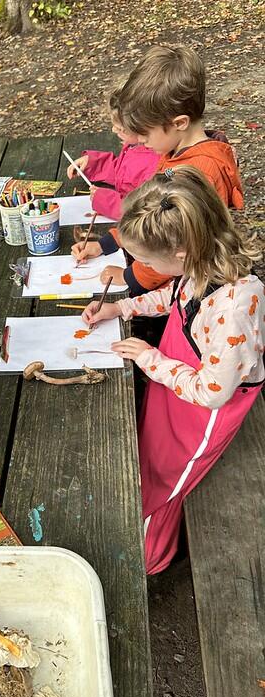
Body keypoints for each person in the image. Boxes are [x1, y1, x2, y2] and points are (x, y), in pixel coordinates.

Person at [82, 167, 263, 574]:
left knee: (167, 484)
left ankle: (153, 559)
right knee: (148, 458)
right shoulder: (201, 261)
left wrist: (150, 359)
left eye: (145, 260)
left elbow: (214, 392)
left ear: (179, 253)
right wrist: (121, 307)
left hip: (200, 418)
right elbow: (174, 296)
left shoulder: (234, 308)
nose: (140, 266)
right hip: (175, 389)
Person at [73, 46, 243, 296]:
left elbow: (167, 245)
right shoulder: (173, 153)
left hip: (192, 291)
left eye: (145, 132)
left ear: (179, 123)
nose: (140, 140)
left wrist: (130, 277)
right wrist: (106, 244)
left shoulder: (197, 173)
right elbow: (148, 213)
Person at [66, 88, 159, 220]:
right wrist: (93, 164)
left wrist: (105, 201)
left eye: (121, 129)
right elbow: (123, 172)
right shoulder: (135, 145)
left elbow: (142, 211)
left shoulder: (154, 165)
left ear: (142, 129)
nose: (113, 129)